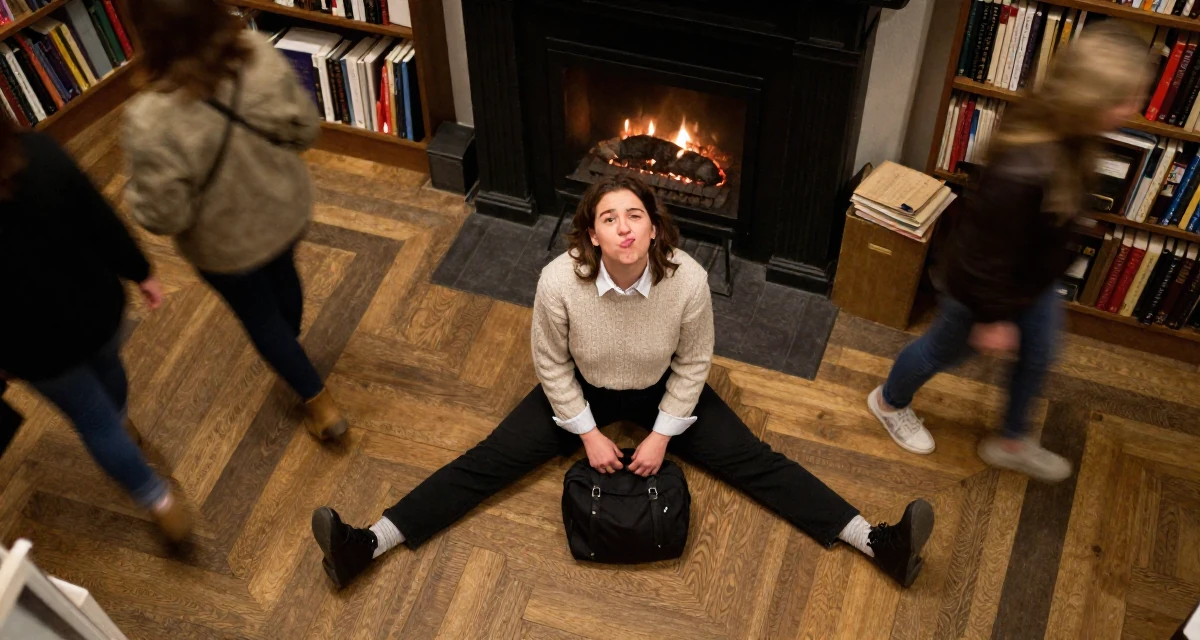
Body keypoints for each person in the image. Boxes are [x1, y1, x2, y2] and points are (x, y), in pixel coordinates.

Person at [310, 175, 935, 589]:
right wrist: (585, 432)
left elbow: (694, 363)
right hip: (584, 388)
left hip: (663, 388)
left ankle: (878, 543)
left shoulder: (687, 279)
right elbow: (551, 363)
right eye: (610, 218)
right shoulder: (558, 280)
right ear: (592, 235)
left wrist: (663, 435)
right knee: (491, 460)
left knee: (755, 461)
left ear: (654, 228)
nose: (626, 226)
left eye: (636, 214)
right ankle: (367, 544)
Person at [867, 24, 1152, 482]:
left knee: (1039, 352)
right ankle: (888, 401)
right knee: (941, 352)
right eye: (1124, 99)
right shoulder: (1023, 169)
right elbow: (985, 254)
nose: (1134, 108)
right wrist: (991, 318)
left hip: (1027, 284)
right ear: (1089, 99)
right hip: (983, 293)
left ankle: (1012, 440)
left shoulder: (1069, 132)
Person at [121, 0, 346, 441]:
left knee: (260, 318)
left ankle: (320, 402)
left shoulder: (148, 119)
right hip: (283, 210)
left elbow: (165, 215)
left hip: (223, 246)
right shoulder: (258, 51)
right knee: (284, 279)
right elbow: (304, 130)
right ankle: (291, 344)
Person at [0, 116, 193, 542]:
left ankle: (159, 502)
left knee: (93, 421)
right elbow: (100, 219)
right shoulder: (42, 154)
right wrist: (140, 270)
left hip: (31, 349)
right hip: (96, 308)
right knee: (110, 370)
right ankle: (124, 421)